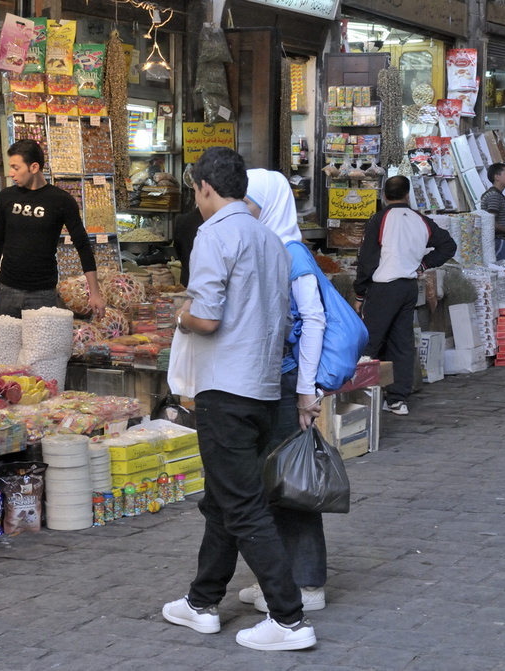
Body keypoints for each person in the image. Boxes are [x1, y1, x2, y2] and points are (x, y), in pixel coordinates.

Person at [161, 147, 316, 652]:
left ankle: (289, 619)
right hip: (263, 387)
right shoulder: (270, 239)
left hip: (225, 388)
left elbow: (206, 318)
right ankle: (202, 602)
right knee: (223, 499)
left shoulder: (215, 234)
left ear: (206, 187)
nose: (196, 201)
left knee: (244, 506)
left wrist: (179, 315)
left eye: (195, 191)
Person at [239, 168, 328, 614]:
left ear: (268, 203)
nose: (244, 212)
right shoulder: (268, 245)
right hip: (267, 379)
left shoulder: (292, 253)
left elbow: (313, 321)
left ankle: (308, 583)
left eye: (250, 204)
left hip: (289, 381)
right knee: (268, 480)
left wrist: (305, 391)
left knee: (294, 481)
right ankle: (275, 576)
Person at [354, 175, 457, 416]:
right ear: (408, 195)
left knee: (370, 342)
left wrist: (359, 293)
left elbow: (367, 260)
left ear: (383, 196)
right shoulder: (420, 220)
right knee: (402, 342)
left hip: (383, 288)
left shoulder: (380, 219)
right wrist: (423, 265)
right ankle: (397, 399)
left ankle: (362, 396)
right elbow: (448, 245)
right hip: (408, 287)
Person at [0, 139, 105, 319]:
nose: (10, 173)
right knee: (3, 345)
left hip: (42, 292)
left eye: (16, 167)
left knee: (41, 346)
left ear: (34, 167)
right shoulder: (6, 196)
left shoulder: (61, 201)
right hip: (7, 289)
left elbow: (83, 246)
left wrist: (95, 293)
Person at [172, 207, 202, 287]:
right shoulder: (219, 222)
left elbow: (178, 248)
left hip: (187, 280)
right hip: (208, 286)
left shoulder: (182, 219)